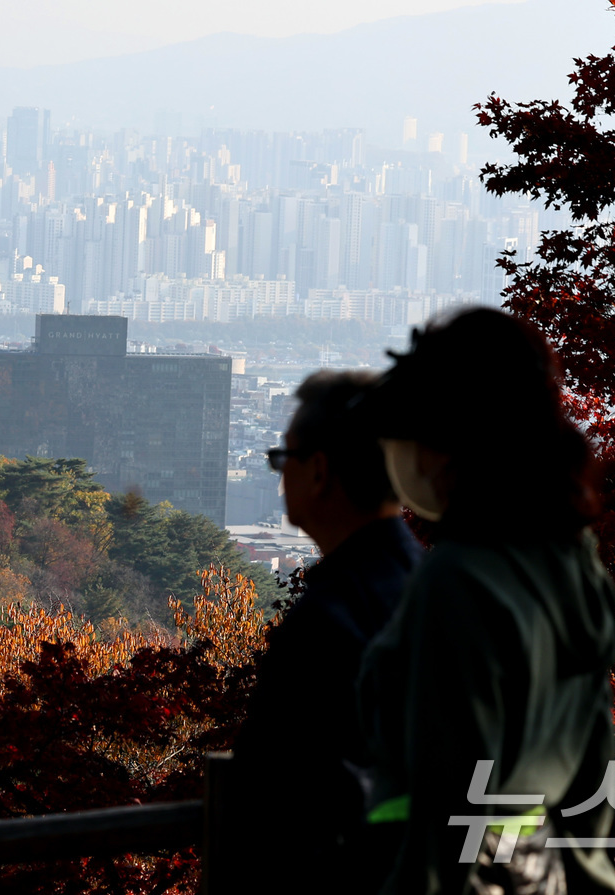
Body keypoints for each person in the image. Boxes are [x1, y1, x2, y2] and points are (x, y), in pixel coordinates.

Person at [357, 307, 615, 895]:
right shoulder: (573, 565)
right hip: (542, 871)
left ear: (452, 447)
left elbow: (445, 794)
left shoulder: (455, 580)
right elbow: (594, 770)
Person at [230, 369, 424, 893]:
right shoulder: (430, 585)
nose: (279, 473)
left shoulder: (329, 614)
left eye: (283, 458)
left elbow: (276, 792)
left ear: (319, 470)